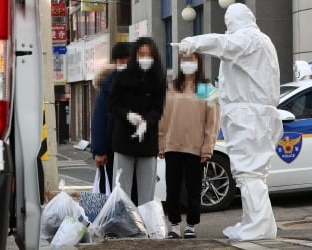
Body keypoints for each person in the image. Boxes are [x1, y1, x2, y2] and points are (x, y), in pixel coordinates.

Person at [176, 3, 283, 241]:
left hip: (248, 115)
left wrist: (196, 42)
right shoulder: (255, 43)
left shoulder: (250, 39)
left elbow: (225, 45)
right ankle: (255, 222)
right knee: (249, 173)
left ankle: (258, 225)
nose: (227, 28)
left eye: (229, 22)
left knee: (249, 172)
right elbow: (217, 93)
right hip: (246, 114)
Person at [158, 53, 219, 239]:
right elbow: (163, 117)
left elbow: (213, 120)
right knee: (173, 188)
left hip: (195, 146)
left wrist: (208, 147)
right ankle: (174, 224)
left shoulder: (205, 88)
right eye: (184, 60)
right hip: (172, 145)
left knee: (193, 188)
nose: (188, 63)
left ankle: (191, 224)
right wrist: (160, 143)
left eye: (192, 59)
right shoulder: (172, 87)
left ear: (199, 62)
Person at [109, 37, 166, 205]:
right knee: (121, 188)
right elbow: (113, 105)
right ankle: (121, 223)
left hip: (147, 140)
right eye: (141, 54)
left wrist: (146, 122)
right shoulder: (122, 77)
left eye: (149, 54)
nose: (145, 58)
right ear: (135, 55)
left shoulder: (158, 79)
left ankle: (146, 225)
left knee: (146, 190)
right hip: (123, 140)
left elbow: (158, 108)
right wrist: (128, 115)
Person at [91, 42, 131, 194]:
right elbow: (99, 120)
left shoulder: (142, 85)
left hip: (135, 150)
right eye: (121, 61)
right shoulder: (107, 87)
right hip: (111, 150)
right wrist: (99, 151)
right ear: (115, 63)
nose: (125, 64)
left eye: (128, 60)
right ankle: (109, 217)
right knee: (113, 191)